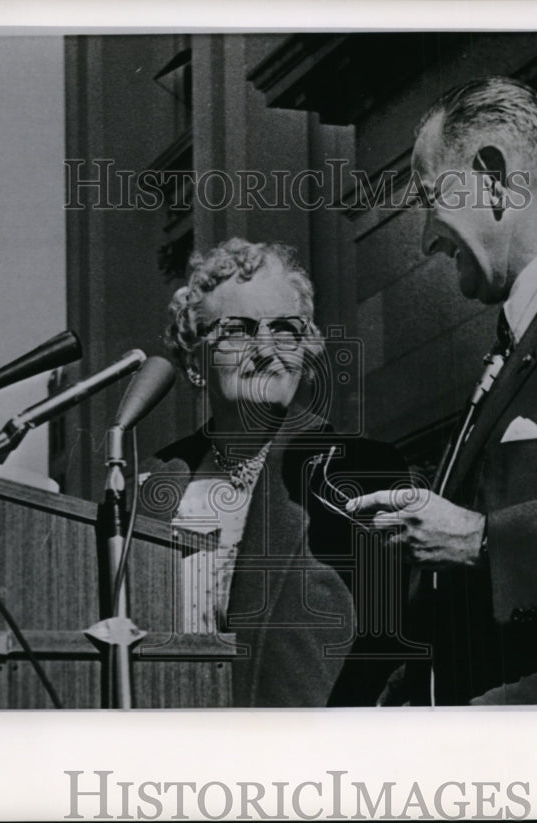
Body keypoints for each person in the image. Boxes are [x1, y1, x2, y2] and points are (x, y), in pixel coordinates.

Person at [347, 76, 537, 705]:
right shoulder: (522, 337)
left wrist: (480, 539)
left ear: (493, 179)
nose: (426, 239)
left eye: (428, 197)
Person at [136, 238, 407, 707]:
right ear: (196, 362)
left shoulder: (360, 471)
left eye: (284, 329)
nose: (266, 349)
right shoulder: (152, 483)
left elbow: (392, 653)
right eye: (238, 331)